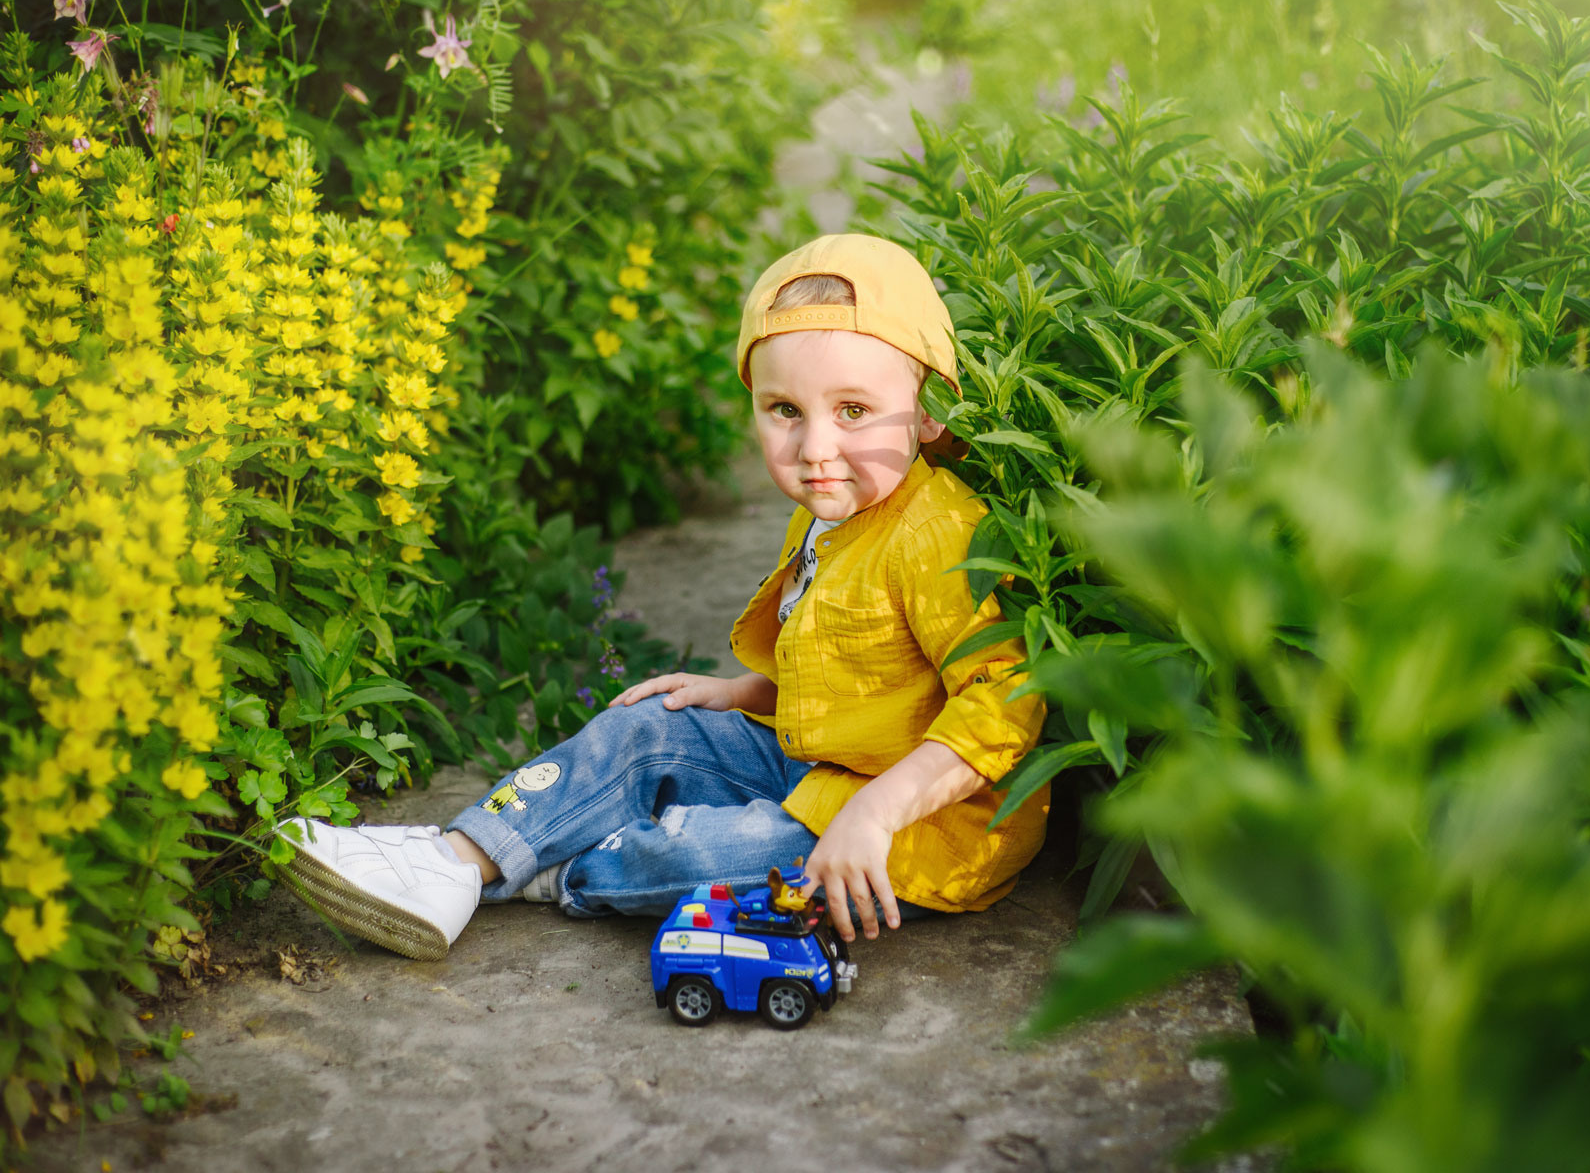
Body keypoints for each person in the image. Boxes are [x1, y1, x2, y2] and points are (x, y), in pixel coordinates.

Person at [277, 234, 1047, 960]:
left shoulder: (939, 534)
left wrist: (874, 814)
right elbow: (865, 675)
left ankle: (542, 872)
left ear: (929, 409)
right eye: (785, 411)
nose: (815, 450)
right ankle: (456, 858)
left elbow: (1000, 704)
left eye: (853, 411)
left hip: (918, 829)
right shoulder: (831, 509)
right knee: (649, 727)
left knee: (711, 852)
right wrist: (742, 692)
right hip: (818, 762)